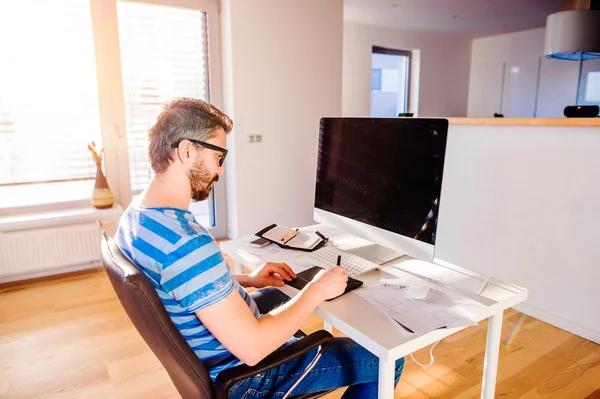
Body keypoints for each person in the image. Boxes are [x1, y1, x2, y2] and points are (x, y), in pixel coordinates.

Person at [115, 97, 404, 398]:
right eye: (219, 156)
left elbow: (177, 285)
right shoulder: (186, 244)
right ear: (187, 151)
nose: (221, 170)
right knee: (387, 361)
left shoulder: (137, 218)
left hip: (217, 348)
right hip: (245, 376)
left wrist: (249, 280)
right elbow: (253, 349)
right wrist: (315, 290)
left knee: (286, 292)